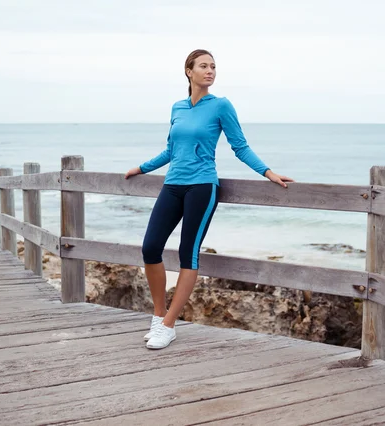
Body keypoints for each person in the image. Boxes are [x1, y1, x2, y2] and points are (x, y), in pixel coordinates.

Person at [124, 49, 294, 349]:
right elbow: (170, 150)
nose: (210, 71)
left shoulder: (221, 106)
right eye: (203, 66)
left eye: (213, 66)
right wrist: (142, 167)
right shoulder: (177, 107)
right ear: (189, 71)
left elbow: (239, 147)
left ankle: (168, 325)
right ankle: (158, 314)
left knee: (188, 253)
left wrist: (268, 173)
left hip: (202, 186)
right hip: (173, 184)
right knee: (150, 248)